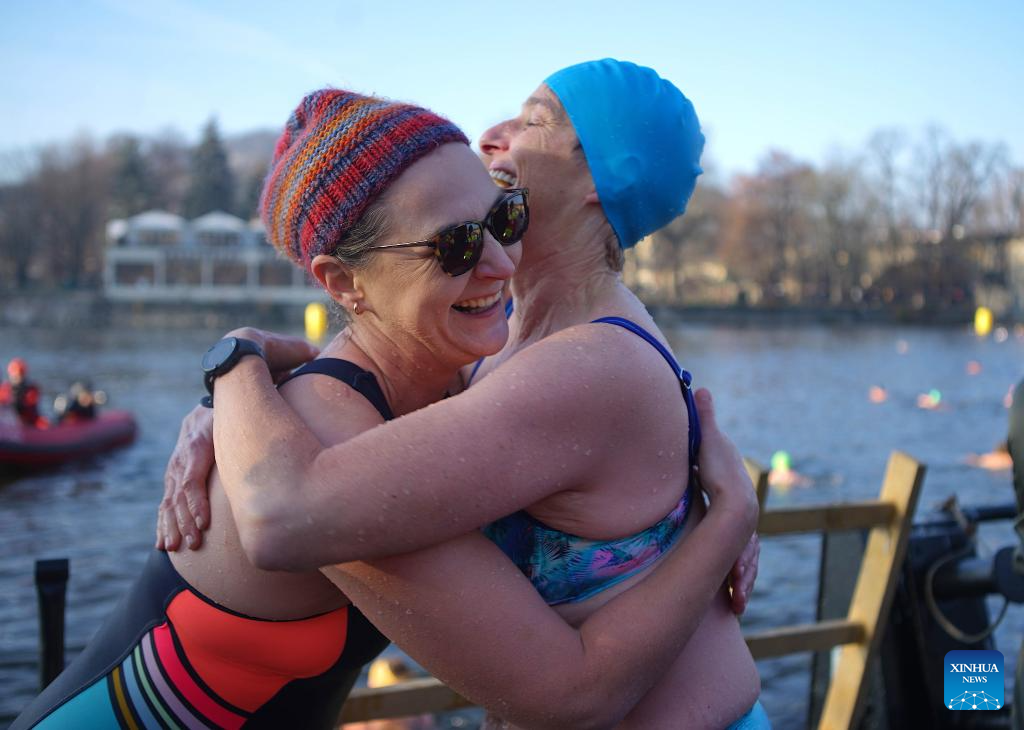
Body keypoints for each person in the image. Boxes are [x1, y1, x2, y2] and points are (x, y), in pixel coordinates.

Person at [15, 87, 757, 730]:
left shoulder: (454, 382)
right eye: (458, 245)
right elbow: (571, 695)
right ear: (342, 284)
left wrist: (678, 504)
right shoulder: (321, 443)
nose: (501, 263)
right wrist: (727, 521)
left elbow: (601, 439)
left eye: (503, 221)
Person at [0, 358, 48, 428]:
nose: (17, 377)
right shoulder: (5, 388)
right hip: (10, 423)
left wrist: (17, 405)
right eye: (14, 374)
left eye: (19, 374)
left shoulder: (31, 390)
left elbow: (30, 408)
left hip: (28, 423)